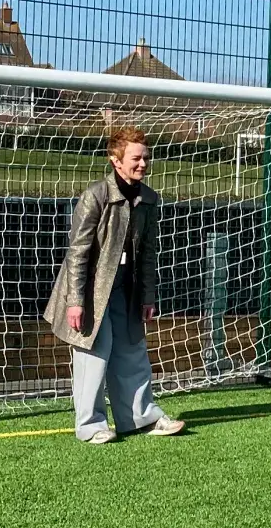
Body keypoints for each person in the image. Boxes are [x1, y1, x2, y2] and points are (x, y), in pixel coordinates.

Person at [43, 124, 187, 444]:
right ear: (115, 160)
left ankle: (140, 418)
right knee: (94, 351)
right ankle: (91, 426)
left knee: (133, 351)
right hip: (90, 291)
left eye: (146, 158)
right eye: (136, 158)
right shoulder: (95, 197)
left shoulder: (149, 199)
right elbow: (78, 252)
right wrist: (75, 301)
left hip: (126, 289)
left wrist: (147, 296)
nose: (143, 164)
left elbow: (148, 253)